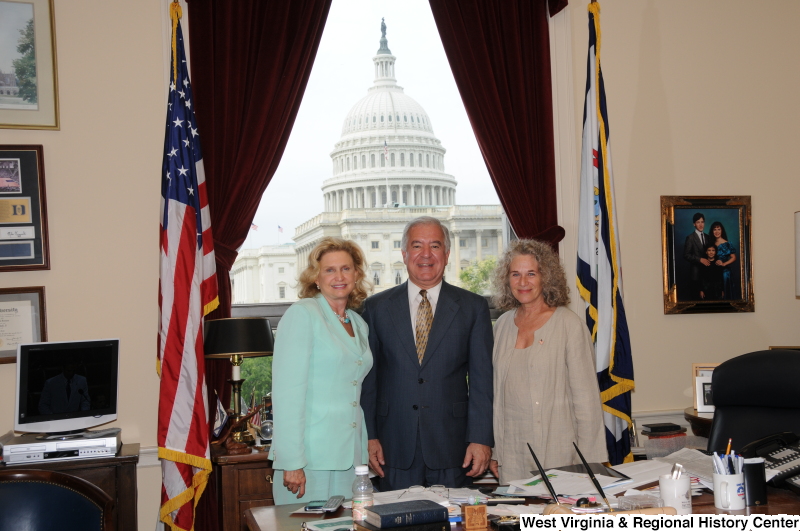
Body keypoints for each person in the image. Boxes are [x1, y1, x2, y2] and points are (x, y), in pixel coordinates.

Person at [361, 216, 494, 490]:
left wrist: (481, 439)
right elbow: (369, 381)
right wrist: (369, 436)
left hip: (453, 447)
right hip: (392, 446)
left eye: (435, 246)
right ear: (404, 254)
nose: (426, 254)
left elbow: (482, 382)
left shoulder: (473, 307)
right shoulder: (375, 308)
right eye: (417, 245)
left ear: (446, 255)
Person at [488, 239, 606, 484]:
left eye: (531, 273)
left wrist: (589, 461)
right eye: (515, 274)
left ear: (546, 277)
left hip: (561, 455)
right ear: (506, 279)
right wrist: (496, 452)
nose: (523, 282)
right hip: (511, 456)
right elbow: (498, 399)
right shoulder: (501, 326)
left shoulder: (568, 325)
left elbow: (586, 402)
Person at [269, 237, 373, 504]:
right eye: (329, 270)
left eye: (346, 268)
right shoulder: (302, 314)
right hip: (308, 460)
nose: (339, 276)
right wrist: (292, 461)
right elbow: (287, 394)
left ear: (357, 274)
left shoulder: (358, 323)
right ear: (316, 277)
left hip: (351, 457)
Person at [683, 212, 715, 299]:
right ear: (694, 224)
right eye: (698, 222)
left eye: (702, 222)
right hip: (696, 273)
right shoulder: (690, 238)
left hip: (707, 274)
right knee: (696, 299)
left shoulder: (708, 237)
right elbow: (686, 255)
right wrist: (699, 259)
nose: (701, 224)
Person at [709, 221, 737, 299]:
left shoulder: (726, 243)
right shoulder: (710, 242)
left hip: (724, 273)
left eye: (719, 229)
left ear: (722, 231)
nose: (717, 231)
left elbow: (734, 257)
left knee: (725, 295)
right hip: (713, 272)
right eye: (715, 229)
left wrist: (724, 264)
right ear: (712, 231)